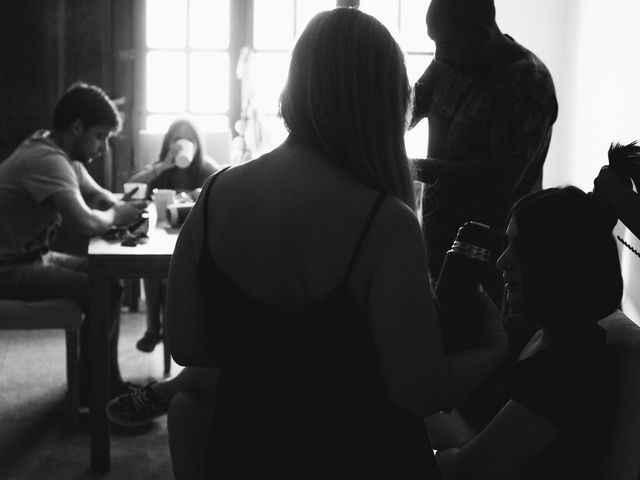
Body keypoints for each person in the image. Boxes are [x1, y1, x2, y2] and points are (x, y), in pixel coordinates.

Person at [163, 7, 507, 479]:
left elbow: (187, 344)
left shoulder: (213, 196)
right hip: (359, 457)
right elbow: (420, 393)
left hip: (243, 452)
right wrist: (493, 349)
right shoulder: (386, 223)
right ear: (385, 102)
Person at [426, 185, 621, 480]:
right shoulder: (528, 334)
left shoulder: (573, 365)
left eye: (519, 246)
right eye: (506, 244)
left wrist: (457, 440)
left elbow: (464, 471)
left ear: (557, 258)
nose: (502, 260)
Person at [0, 82, 147, 400]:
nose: (104, 147)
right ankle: (95, 390)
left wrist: (125, 207)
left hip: (29, 258)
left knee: (110, 282)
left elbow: (99, 197)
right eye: (100, 136)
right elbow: (86, 222)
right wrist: (116, 215)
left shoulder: (61, 154)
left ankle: (102, 384)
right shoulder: (48, 161)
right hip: (7, 268)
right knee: (102, 288)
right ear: (77, 127)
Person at [410, 0, 558, 305]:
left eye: (446, 44)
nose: (438, 55)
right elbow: (407, 109)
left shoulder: (527, 80)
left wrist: (417, 169)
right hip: (440, 244)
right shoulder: (447, 63)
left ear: (481, 35)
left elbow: (504, 176)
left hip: (492, 258)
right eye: (435, 43)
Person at [127, 118, 220, 352]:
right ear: (169, 144)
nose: (183, 145)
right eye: (177, 139)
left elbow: (225, 191)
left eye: (189, 140)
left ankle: (173, 331)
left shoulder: (207, 168)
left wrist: (205, 192)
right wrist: (164, 164)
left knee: (174, 270)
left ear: (197, 145)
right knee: (151, 268)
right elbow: (131, 186)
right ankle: (153, 329)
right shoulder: (161, 168)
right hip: (162, 235)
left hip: (194, 238)